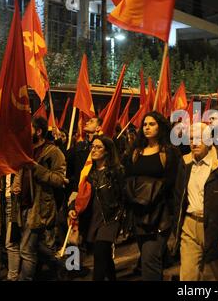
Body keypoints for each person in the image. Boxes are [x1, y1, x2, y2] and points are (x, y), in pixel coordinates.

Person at [172, 122, 218, 281]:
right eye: (191, 138)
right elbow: (179, 197)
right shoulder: (184, 163)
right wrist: (177, 226)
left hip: (216, 227)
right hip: (190, 227)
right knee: (188, 276)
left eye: (199, 138)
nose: (194, 142)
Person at [125, 112, 180, 280]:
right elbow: (127, 178)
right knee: (151, 259)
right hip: (139, 213)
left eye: (152, 124)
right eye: (145, 124)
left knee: (149, 260)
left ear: (161, 127)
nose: (147, 127)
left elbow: (173, 183)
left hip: (160, 215)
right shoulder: (135, 152)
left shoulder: (169, 153)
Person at [12, 116, 66, 281]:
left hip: (39, 207)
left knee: (26, 250)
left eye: (29, 129)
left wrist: (36, 167)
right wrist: (16, 183)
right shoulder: (25, 150)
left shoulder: (53, 152)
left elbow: (59, 179)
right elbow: (20, 171)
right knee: (33, 246)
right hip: (23, 205)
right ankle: (60, 262)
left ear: (39, 131)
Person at [68, 136, 125, 281]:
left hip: (111, 219)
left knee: (99, 255)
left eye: (98, 147)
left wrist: (123, 219)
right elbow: (78, 194)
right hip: (94, 219)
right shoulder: (88, 173)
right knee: (105, 257)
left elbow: (124, 196)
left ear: (107, 151)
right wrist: (72, 208)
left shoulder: (116, 171)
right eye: (92, 146)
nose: (93, 150)